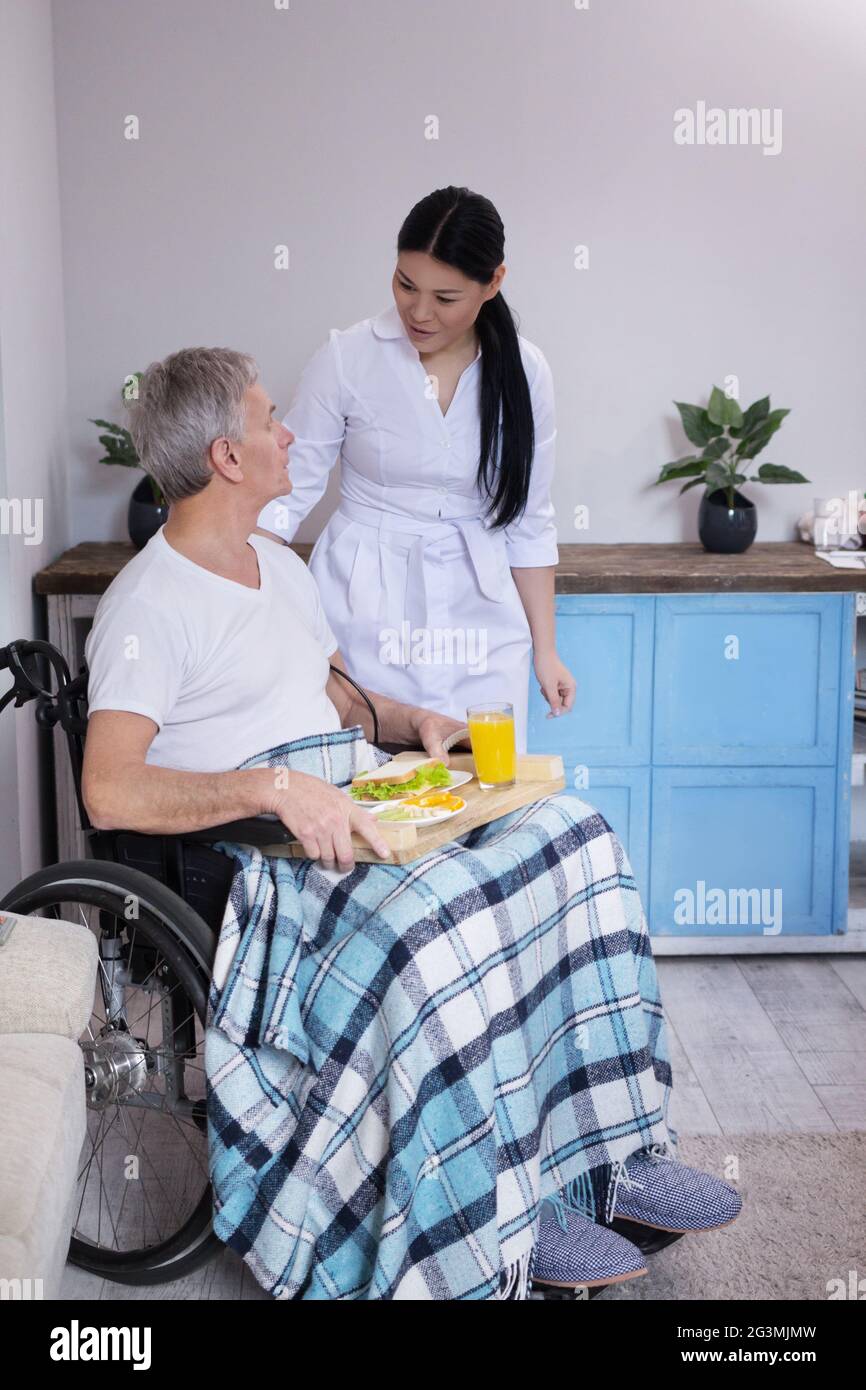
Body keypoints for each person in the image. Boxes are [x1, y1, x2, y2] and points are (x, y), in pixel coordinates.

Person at [82, 347, 741, 1301]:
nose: (290, 435)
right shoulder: (149, 603)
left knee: (574, 839)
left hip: (355, 796)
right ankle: (494, 1225)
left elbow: (329, 694)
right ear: (228, 457)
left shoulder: (274, 563)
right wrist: (272, 789)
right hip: (259, 862)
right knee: (447, 922)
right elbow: (110, 792)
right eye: (271, 421)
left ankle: (607, 1158)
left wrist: (410, 723)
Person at [258, 186, 576, 752]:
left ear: (493, 282)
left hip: (480, 614)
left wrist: (545, 651)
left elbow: (529, 520)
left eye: (445, 296)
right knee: (372, 786)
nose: (419, 312)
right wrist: (232, 593)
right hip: (362, 600)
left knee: (483, 784)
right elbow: (285, 495)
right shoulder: (347, 358)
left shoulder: (526, 371)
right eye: (406, 285)